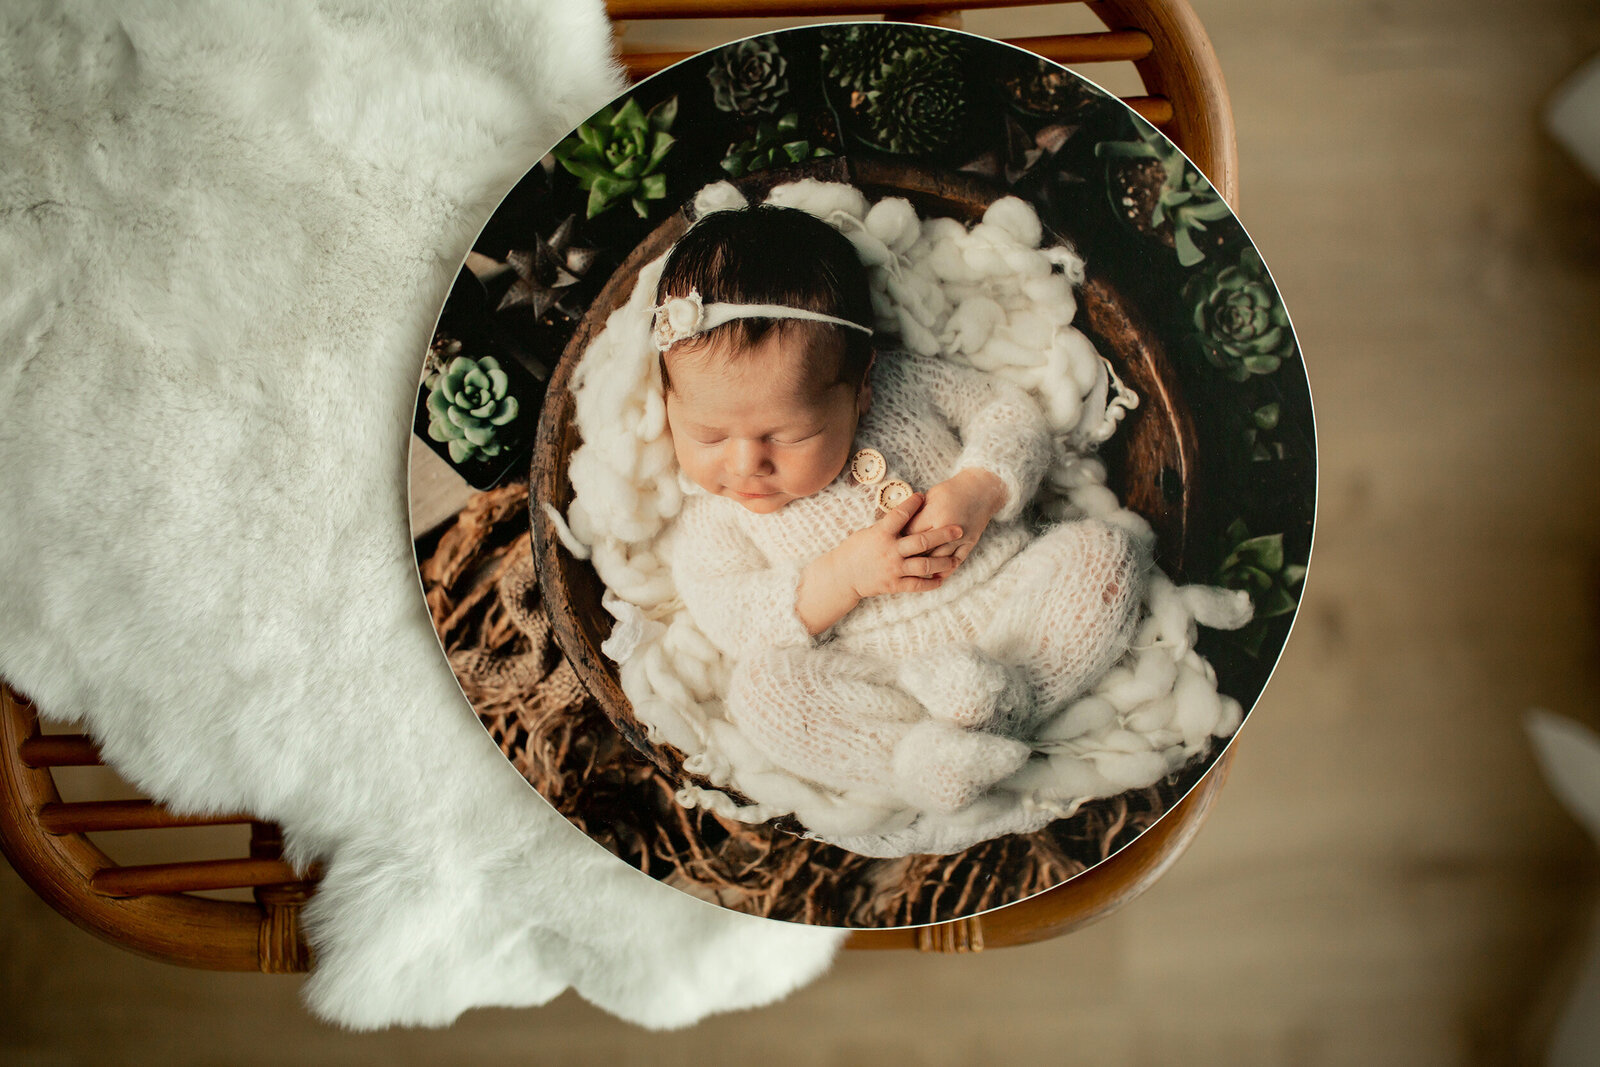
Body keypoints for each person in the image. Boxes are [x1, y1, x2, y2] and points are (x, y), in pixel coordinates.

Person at [658, 205, 1147, 816]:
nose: (745, 463)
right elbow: (731, 617)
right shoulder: (717, 515)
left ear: (860, 386)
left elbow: (1008, 414)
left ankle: (1011, 702)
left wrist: (980, 487)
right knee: (763, 694)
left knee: (1106, 555)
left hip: (1009, 603)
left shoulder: (904, 386)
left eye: (787, 436)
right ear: (668, 402)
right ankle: (918, 762)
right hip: (875, 673)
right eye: (707, 435)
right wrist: (843, 578)